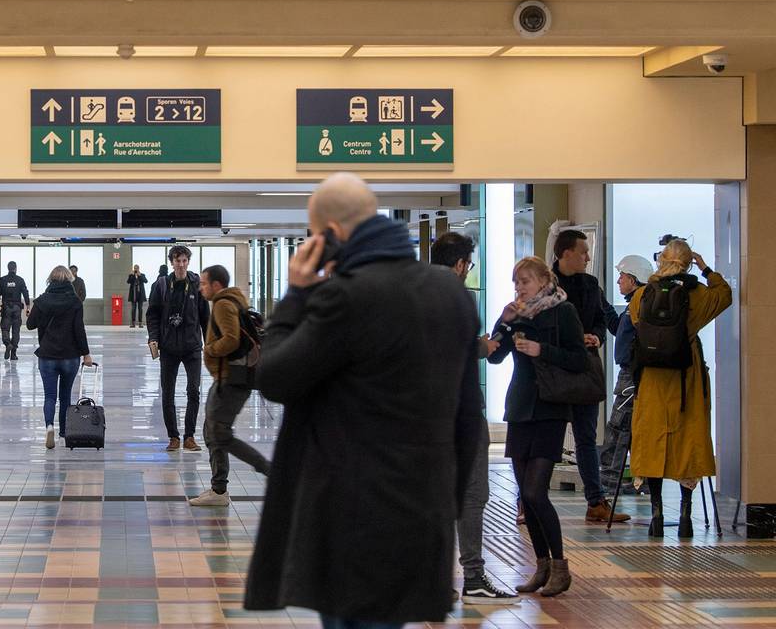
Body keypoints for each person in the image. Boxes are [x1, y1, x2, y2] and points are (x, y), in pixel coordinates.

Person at [243, 174, 481, 629]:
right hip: (423, 508)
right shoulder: (450, 293)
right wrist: (443, 508)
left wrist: (296, 295)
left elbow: (274, 377)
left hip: (353, 517)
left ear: (331, 233)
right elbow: (469, 417)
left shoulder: (348, 295)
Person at [488, 256, 588, 598]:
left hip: (549, 408)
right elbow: (494, 356)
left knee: (535, 491)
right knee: (524, 498)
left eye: (525, 282)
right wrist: (503, 322)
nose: (520, 288)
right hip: (519, 409)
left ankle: (560, 565)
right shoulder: (517, 315)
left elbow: (579, 359)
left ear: (544, 280)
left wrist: (541, 349)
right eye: (516, 283)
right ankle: (541, 566)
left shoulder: (563, 312)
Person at [429, 232, 519, 606]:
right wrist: (482, 346)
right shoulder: (454, 296)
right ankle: (474, 576)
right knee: (472, 494)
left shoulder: (416, 293)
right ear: (462, 264)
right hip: (461, 411)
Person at [627, 240, 731, 539]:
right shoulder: (697, 294)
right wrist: (706, 268)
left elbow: (637, 322)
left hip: (652, 379)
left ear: (661, 261)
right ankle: (686, 515)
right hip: (687, 376)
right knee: (688, 441)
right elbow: (725, 295)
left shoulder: (644, 294)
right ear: (687, 262)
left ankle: (656, 514)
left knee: (652, 441)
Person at [552, 229, 628, 524]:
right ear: (565, 253)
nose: (587, 257)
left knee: (586, 438)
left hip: (584, 370)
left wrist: (596, 337)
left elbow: (600, 320)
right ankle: (526, 501)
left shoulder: (590, 284)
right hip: (556, 371)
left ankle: (595, 502)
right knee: (550, 439)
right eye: (583, 251)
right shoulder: (546, 283)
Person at [188, 264, 270, 507]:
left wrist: (209, 348)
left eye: (204, 284)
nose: (201, 288)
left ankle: (268, 471)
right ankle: (218, 489)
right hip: (229, 378)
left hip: (231, 379)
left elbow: (232, 339)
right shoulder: (234, 300)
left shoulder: (223, 304)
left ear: (216, 285)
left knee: (219, 433)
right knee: (211, 430)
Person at [599, 254, 653, 500]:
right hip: (633, 374)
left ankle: (611, 479)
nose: (619, 280)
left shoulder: (640, 305)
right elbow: (617, 328)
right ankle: (644, 481)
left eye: (622, 276)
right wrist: (602, 301)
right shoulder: (634, 305)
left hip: (631, 376)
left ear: (634, 279)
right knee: (631, 428)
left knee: (620, 426)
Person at [146, 245, 209, 452]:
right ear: (171, 262)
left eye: (184, 261)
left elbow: (205, 317)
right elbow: (152, 314)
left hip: (192, 347)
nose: (181, 265)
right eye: (177, 261)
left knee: (194, 391)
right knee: (168, 393)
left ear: (188, 262)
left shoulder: (196, 285)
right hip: (169, 347)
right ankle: (173, 437)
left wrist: (210, 343)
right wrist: (153, 338)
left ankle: (189, 436)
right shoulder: (162, 285)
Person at [26, 266, 94, 449]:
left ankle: (49, 426)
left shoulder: (41, 301)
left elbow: (30, 325)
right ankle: (64, 433)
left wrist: (37, 312)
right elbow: (79, 330)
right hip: (69, 357)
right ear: (70, 281)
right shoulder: (75, 302)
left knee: (49, 396)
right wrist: (86, 354)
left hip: (47, 356)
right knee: (65, 397)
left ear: (50, 280)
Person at [0, 261, 31, 362]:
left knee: (5, 328)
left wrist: (3, 289)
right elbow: (25, 293)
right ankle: (13, 354)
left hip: (6, 308)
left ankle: (8, 344)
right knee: (16, 331)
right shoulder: (20, 280)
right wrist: (28, 306)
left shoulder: (3, 280)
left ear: (8, 268)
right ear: (15, 268)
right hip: (17, 308)